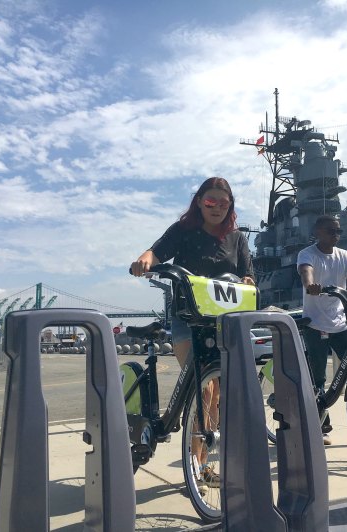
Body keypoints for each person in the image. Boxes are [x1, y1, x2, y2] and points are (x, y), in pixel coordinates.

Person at [130, 176, 254, 487]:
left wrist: (249, 282)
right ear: (199, 201)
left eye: (223, 204)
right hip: (188, 317)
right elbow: (156, 252)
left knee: (216, 394)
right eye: (210, 202)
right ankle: (197, 464)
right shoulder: (183, 232)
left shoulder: (237, 238)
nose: (217, 208)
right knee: (205, 388)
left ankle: (200, 464)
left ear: (231, 206)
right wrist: (144, 261)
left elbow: (248, 273)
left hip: (222, 318)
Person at [297, 215, 347, 445]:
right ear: (317, 231)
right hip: (314, 322)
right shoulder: (307, 254)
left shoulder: (344, 256)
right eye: (331, 230)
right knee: (317, 378)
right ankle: (320, 426)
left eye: (338, 231)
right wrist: (310, 286)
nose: (336, 234)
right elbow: (306, 272)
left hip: (340, 323)